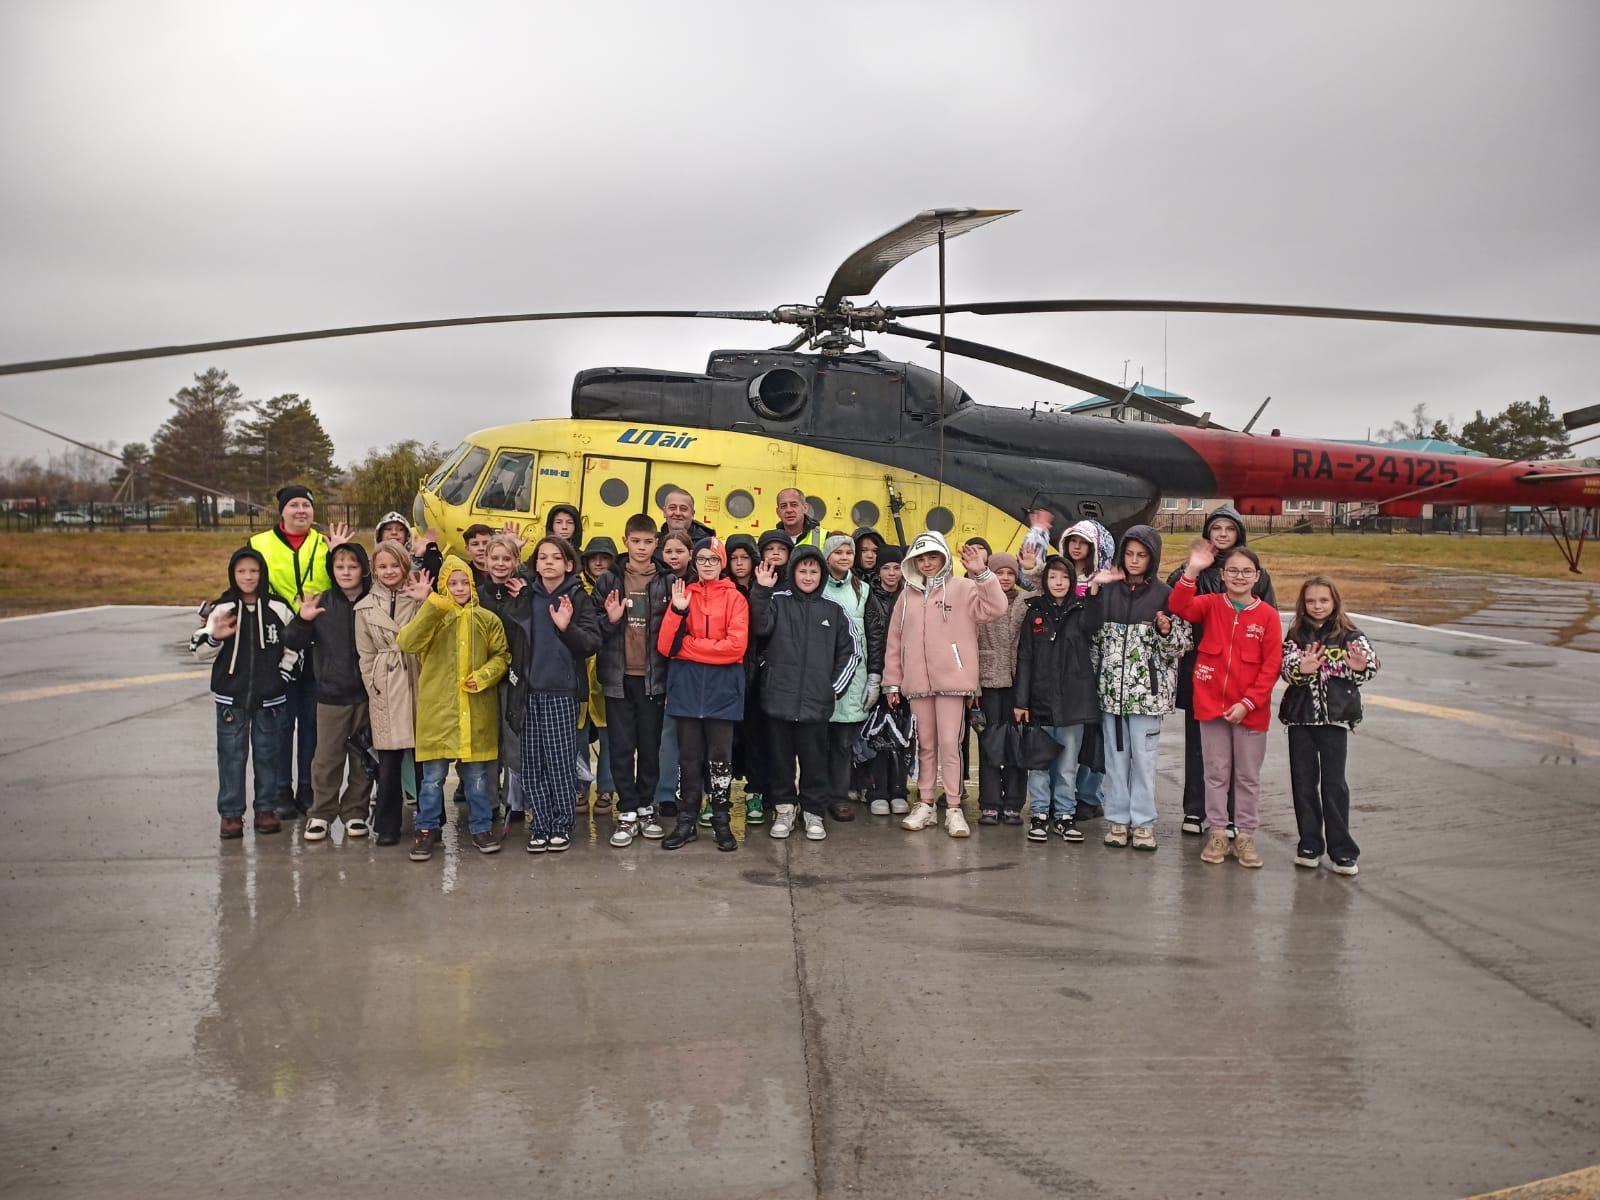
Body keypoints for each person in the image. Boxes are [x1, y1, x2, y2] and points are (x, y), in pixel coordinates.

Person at [883, 531, 1006, 837]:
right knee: (925, 745)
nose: (926, 564)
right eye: (921, 558)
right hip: (917, 683)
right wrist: (892, 682)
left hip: (953, 681)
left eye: (932, 557)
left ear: (944, 558)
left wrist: (982, 573)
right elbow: (895, 641)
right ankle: (925, 803)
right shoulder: (906, 596)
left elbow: (995, 608)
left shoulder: (965, 588)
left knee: (950, 744)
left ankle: (953, 807)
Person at [1169, 541, 1283, 869]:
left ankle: (1245, 836)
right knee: (1215, 774)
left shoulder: (1268, 617)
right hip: (1211, 707)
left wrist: (1248, 703)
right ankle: (1218, 833)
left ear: (1257, 576)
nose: (1239, 576)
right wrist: (1192, 569)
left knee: (1247, 777)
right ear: (1222, 574)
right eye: (1233, 570)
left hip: (1250, 712)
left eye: (1247, 571)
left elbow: (1270, 666)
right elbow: (1179, 605)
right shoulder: (1211, 605)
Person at [1084, 525, 1191, 853]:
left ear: (1152, 558)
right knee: (1116, 763)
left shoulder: (1166, 596)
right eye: (1129, 554)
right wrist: (1092, 592)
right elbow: (1093, 639)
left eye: (1141, 555)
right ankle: (1118, 820)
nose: (1134, 560)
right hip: (1111, 699)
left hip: (1148, 699)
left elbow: (1181, 644)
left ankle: (1143, 823)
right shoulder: (1108, 592)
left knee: (1143, 763)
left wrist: (1166, 629)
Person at [396, 554, 510, 861]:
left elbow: (502, 656)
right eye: (452, 583)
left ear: (473, 584)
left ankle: (481, 827)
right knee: (431, 779)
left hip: (475, 711)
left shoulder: (487, 619)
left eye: (464, 582)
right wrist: (431, 606)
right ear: (443, 586)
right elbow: (407, 642)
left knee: (476, 778)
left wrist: (484, 676)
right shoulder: (433, 615)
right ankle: (426, 829)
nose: (459, 588)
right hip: (439, 712)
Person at [496, 536, 603, 854]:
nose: (548, 562)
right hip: (528, 692)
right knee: (532, 764)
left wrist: (566, 627)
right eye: (542, 557)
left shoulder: (577, 597)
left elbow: (591, 642)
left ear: (569, 564)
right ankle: (540, 824)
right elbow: (505, 625)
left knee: (559, 762)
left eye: (556, 557)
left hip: (561, 692)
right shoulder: (526, 596)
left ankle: (562, 824)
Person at [192, 547, 301, 838]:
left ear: (262, 573)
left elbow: (294, 646)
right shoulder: (222, 609)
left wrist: (282, 676)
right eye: (242, 571)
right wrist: (215, 637)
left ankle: (266, 809)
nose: (248, 576)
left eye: (254, 571)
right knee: (231, 756)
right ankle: (231, 815)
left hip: (271, 699)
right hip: (231, 699)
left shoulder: (279, 608)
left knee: (268, 755)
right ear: (233, 574)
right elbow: (198, 650)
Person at [1280, 576, 1379, 876]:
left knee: (1334, 786)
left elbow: (1369, 666)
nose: (1317, 606)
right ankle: (1309, 843)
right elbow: (1286, 669)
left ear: (1334, 601)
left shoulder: (1351, 634)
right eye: (1311, 601)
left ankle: (1343, 851)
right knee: (1303, 782)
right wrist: (1300, 668)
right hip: (1301, 719)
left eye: (1323, 600)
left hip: (1335, 721)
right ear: (1303, 604)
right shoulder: (1296, 634)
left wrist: (1359, 668)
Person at [757, 546, 857, 840]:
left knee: (815, 762)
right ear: (793, 572)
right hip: (779, 700)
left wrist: (833, 689)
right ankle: (785, 809)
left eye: (814, 571)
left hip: (817, 703)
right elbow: (759, 631)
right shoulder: (777, 602)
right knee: (780, 761)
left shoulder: (834, 611)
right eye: (803, 570)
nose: (808, 576)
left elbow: (851, 653)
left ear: (822, 575)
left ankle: (813, 811)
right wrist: (762, 592)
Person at [656, 536, 749, 852]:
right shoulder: (684, 594)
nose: (707, 564)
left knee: (721, 759)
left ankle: (722, 819)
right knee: (688, 758)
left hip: (723, 689)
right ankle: (686, 820)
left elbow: (736, 648)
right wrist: (678, 612)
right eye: (702, 559)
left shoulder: (736, 599)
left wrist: (691, 647)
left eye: (713, 559)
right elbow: (667, 646)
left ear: (722, 563)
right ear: (694, 564)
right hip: (687, 688)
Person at [249, 484, 334, 818]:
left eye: (307, 506)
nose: (301, 511)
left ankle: (308, 788)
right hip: (279, 646)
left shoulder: (325, 544)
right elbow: (247, 583)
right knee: (281, 723)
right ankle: (280, 788)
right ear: (282, 511)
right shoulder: (259, 544)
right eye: (294, 505)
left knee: (313, 724)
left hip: (318, 646)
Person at [281, 542, 374, 842]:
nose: (346, 572)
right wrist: (303, 620)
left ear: (363, 569)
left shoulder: (375, 600)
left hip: (369, 695)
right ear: (332, 571)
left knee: (363, 759)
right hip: (332, 695)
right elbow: (292, 641)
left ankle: (356, 812)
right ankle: (321, 813)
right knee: (326, 758)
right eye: (339, 566)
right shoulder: (321, 603)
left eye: (352, 566)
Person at [1012, 551, 1104, 843]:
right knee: (1039, 763)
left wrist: (1093, 596)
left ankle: (1065, 814)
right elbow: (1025, 658)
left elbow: (1094, 624)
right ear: (1045, 580)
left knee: (1066, 765)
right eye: (1053, 576)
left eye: (1065, 577)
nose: (1059, 582)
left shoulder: (1081, 611)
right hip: (1039, 702)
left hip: (1073, 703)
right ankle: (1039, 813)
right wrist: (1021, 702)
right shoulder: (1034, 612)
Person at [592, 515, 667, 848]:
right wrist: (610, 621)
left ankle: (647, 807)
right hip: (618, 677)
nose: (641, 548)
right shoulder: (608, 580)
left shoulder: (667, 580)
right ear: (625, 542)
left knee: (649, 747)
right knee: (621, 747)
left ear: (656, 543)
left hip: (654, 678)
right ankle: (627, 809)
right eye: (635, 541)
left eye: (648, 542)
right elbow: (592, 628)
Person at [353, 542, 421, 847]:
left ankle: (430, 819)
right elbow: (364, 653)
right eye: (382, 566)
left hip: (417, 678)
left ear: (405, 566)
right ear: (374, 570)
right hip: (386, 681)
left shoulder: (419, 598)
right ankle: (388, 824)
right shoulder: (365, 607)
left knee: (423, 756)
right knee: (389, 759)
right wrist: (373, 684)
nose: (389, 571)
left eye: (395, 565)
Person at [821, 534, 885, 822]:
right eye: (838, 552)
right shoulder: (817, 587)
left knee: (843, 744)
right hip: (821, 675)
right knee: (817, 743)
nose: (845, 557)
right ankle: (814, 795)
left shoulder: (863, 590)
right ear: (828, 557)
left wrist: (874, 675)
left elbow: (874, 635)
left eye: (849, 552)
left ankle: (838, 796)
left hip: (854, 677)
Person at [1059, 519, 1115, 818]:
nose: (1076, 547)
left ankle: (1090, 794)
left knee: (1095, 733)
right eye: (1072, 540)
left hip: (1098, 665)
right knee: (1069, 734)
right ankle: (1064, 793)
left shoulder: (1104, 581)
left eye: (1083, 542)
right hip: (1067, 666)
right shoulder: (1059, 578)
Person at [974, 550, 1034, 825]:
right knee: (989, 743)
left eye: (1011, 573)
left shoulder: (1024, 601)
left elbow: (1049, 583)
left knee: (1015, 744)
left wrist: (1032, 567)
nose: (1006, 578)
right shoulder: (980, 601)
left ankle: (1013, 802)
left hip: (1018, 683)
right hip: (988, 682)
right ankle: (989, 802)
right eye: (1000, 573)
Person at [478, 533, 534, 827]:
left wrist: (523, 596)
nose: (500, 564)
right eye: (495, 558)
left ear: (515, 562)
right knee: (487, 741)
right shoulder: (478, 593)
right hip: (484, 676)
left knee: (514, 741)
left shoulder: (524, 591)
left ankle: (515, 801)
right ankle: (487, 802)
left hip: (514, 677)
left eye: (506, 559)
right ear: (485, 561)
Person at [650, 529, 696, 826]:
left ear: (690, 554)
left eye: (680, 551)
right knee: (667, 735)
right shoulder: (654, 580)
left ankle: (691, 792)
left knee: (691, 738)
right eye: (669, 551)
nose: (674, 556)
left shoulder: (699, 582)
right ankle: (665, 793)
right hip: (662, 664)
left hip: (691, 666)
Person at [725, 534, 769, 825]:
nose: (739, 564)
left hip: (758, 676)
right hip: (728, 673)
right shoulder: (722, 589)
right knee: (725, 740)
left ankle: (756, 791)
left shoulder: (764, 587)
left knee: (756, 738)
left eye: (744, 558)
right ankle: (720, 792)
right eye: (734, 558)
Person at [863, 545, 909, 815]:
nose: (891, 573)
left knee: (904, 735)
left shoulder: (912, 594)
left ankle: (899, 789)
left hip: (908, 677)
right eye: (886, 568)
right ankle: (878, 789)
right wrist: (875, 675)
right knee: (879, 735)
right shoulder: (870, 596)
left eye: (896, 567)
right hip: (879, 674)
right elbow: (873, 639)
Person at [579, 535, 619, 812]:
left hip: (608, 672)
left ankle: (607, 789)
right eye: (594, 557)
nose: (599, 562)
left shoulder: (619, 588)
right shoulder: (574, 588)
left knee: (609, 736)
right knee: (578, 735)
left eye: (605, 557)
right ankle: (579, 788)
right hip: (579, 672)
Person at [376, 510, 442, 580]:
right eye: (388, 529)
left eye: (400, 529)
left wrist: (418, 557)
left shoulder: (416, 562)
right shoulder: (372, 562)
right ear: (380, 535)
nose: (394, 532)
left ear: (407, 536)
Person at [462, 524, 496, 590]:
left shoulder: (506, 572)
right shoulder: (462, 575)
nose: (481, 548)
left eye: (486, 543)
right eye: (475, 544)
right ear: (467, 549)